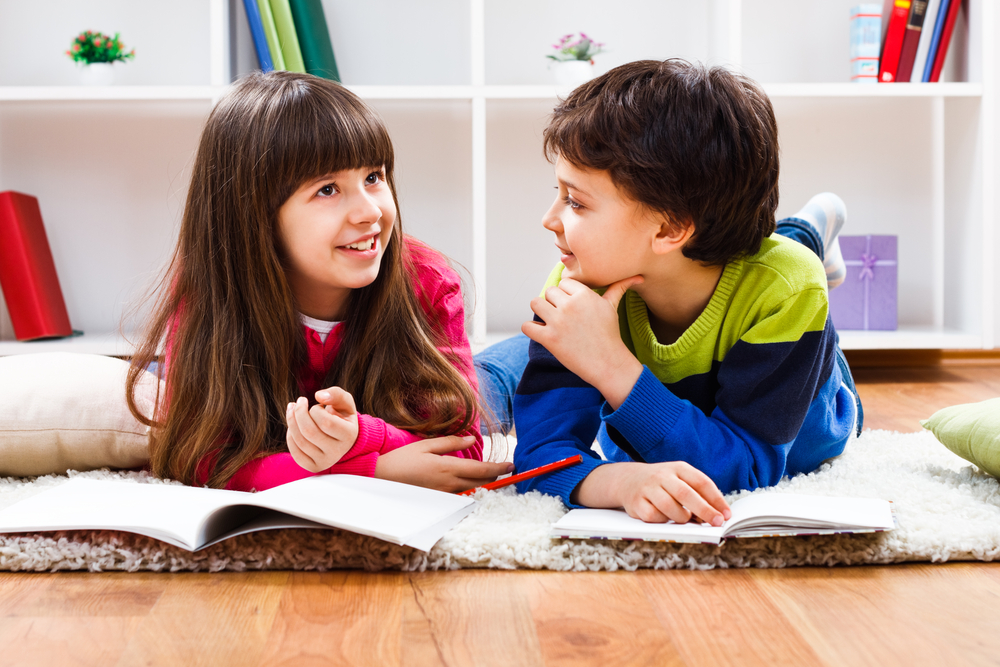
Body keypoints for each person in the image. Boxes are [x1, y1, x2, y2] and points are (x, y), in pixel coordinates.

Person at [125, 70, 521, 493]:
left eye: (374, 177)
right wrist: (368, 470)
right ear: (252, 214)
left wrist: (361, 437)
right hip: (389, 418)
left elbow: (460, 448)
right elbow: (198, 457)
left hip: (418, 389)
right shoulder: (211, 290)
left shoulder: (426, 281)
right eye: (328, 189)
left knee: (502, 381)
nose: (370, 212)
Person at [512, 59, 863, 527]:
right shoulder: (574, 293)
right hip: (701, 271)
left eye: (575, 202)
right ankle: (802, 231)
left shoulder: (786, 291)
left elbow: (745, 469)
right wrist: (620, 483)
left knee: (787, 262)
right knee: (752, 250)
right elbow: (540, 457)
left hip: (809, 418)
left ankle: (806, 234)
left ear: (670, 227)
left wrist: (610, 363)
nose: (549, 218)